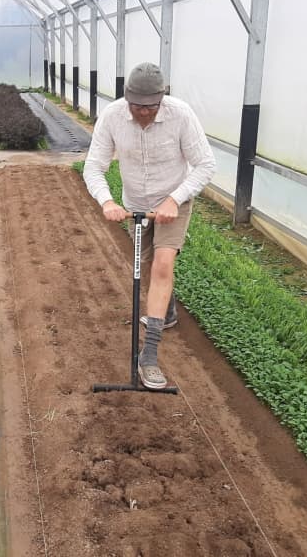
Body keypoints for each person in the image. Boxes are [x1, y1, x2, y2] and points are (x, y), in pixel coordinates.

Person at [83, 62, 216, 389]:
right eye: (137, 106)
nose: (143, 112)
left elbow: (205, 164)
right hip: (136, 206)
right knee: (146, 267)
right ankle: (166, 312)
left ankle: (150, 356)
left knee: (162, 265)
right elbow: (94, 167)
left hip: (174, 201)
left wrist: (174, 199)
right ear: (127, 98)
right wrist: (107, 202)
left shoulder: (180, 115)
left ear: (162, 98)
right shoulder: (112, 116)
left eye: (150, 107)